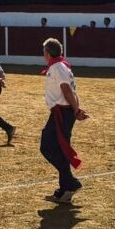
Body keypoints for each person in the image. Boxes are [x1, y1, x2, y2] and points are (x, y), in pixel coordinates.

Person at [40, 38, 88, 203]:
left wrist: (76, 110)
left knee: (47, 147)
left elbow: (67, 90)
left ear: (47, 53)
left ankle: (71, 183)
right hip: (62, 112)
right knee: (59, 149)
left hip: (61, 112)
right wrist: (76, 109)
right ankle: (65, 190)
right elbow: (71, 91)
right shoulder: (62, 66)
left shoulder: (57, 67)